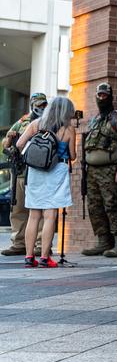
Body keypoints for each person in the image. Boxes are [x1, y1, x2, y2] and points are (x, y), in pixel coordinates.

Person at [15, 96, 76, 268]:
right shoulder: (68, 129)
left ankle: (28, 257)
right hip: (56, 172)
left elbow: (19, 144)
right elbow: (72, 156)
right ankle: (44, 257)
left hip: (35, 171)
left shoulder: (36, 124)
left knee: (34, 215)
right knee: (50, 215)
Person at [81, 83, 117, 257]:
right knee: (94, 206)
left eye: (105, 95)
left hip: (110, 169)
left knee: (112, 205)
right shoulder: (95, 119)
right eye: (99, 95)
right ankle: (103, 242)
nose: (102, 98)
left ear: (110, 96)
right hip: (92, 171)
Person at [1, 92, 47, 256]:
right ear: (32, 104)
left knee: (39, 209)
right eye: (39, 104)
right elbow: (6, 145)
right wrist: (9, 138)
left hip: (39, 170)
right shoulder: (22, 121)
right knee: (18, 209)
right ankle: (19, 243)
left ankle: (40, 244)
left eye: (44, 104)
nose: (41, 107)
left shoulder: (49, 121)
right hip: (20, 172)